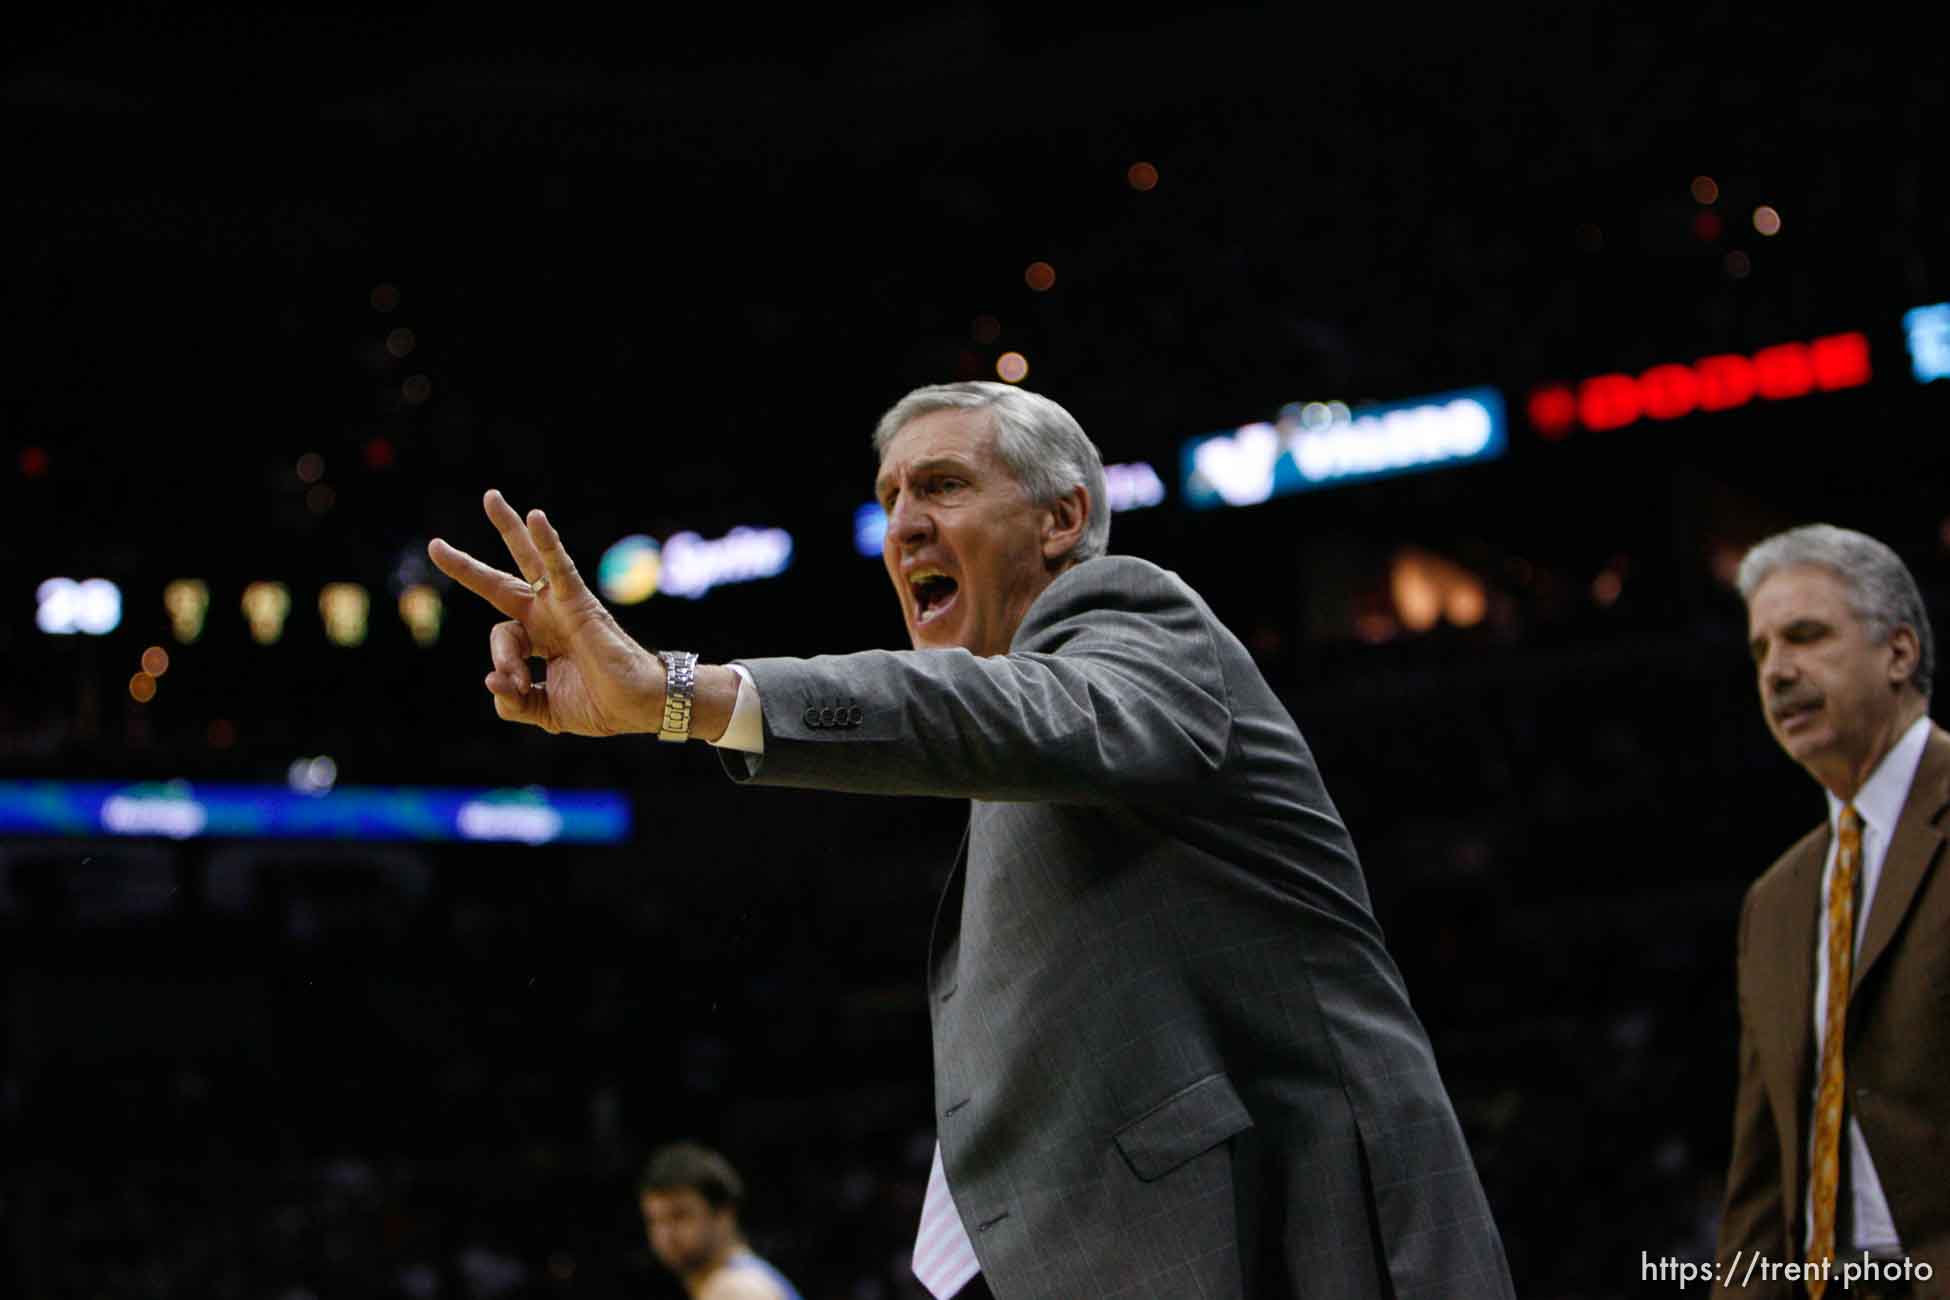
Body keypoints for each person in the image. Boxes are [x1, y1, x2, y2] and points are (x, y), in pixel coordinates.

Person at [430, 382, 1515, 1299]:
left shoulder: (1136, 618)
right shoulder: (1020, 742)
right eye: (890, 495)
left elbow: (979, 712)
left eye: (943, 485)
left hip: (1305, 1243)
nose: (901, 523)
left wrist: (681, 694)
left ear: (1059, 518)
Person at [1714, 524, 1947, 1300]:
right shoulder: (1774, 902)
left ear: (1900, 653)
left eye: (1806, 637)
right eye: (1761, 651)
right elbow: (1759, 1183)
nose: (1777, 672)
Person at [638, 1142, 804, 1300]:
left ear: (723, 1215)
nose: (666, 1233)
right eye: (655, 1220)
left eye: (680, 1216)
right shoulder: (743, 1280)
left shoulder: (736, 1288)